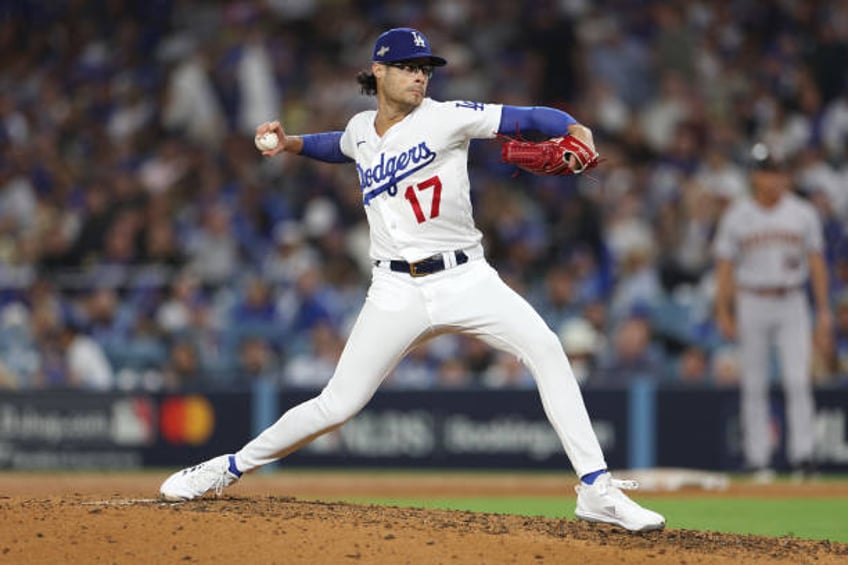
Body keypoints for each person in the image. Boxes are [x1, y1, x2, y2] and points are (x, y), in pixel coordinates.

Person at [159, 27, 664, 532]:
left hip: (466, 277)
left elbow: (528, 118)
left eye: (425, 68)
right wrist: (291, 143)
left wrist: (574, 126)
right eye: (408, 66)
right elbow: (338, 145)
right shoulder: (361, 128)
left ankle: (597, 489)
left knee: (548, 348)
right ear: (378, 70)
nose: (419, 76)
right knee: (338, 404)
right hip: (395, 290)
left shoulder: (446, 117)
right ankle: (224, 468)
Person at [713, 143, 832, 481]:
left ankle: (803, 457)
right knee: (754, 383)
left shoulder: (802, 212)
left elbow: (817, 263)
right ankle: (758, 459)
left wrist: (822, 311)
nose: (774, 178)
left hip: (792, 299)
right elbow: (724, 266)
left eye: (779, 171)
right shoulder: (738, 215)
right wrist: (723, 311)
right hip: (751, 299)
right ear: (755, 176)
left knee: (798, 379)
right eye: (767, 171)